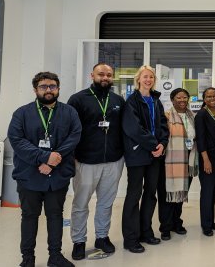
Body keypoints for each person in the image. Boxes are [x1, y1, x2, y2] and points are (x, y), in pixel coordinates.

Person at [8, 72, 81, 267]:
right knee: (29, 217)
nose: (48, 90)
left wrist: (52, 160)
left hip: (57, 176)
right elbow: (17, 140)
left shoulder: (69, 113)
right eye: (43, 86)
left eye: (52, 86)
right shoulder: (21, 113)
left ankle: (55, 256)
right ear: (35, 89)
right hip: (29, 176)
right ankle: (28, 259)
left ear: (58, 88)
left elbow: (74, 137)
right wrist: (43, 157)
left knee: (55, 215)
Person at [68, 63, 125, 260]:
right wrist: (72, 155)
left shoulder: (118, 100)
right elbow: (70, 130)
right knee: (80, 203)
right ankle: (78, 241)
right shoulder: (78, 99)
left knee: (106, 203)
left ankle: (102, 237)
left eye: (109, 75)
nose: (105, 78)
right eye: (101, 74)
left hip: (113, 160)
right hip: (85, 161)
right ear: (92, 75)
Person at [121, 65, 169, 253]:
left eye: (151, 77)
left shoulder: (156, 101)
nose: (148, 80)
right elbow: (133, 128)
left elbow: (164, 126)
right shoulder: (131, 101)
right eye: (145, 77)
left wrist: (162, 144)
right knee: (134, 195)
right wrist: (153, 145)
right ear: (138, 79)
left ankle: (145, 232)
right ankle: (131, 239)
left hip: (155, 155)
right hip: (137, 154)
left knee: (150, 194)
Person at [158, 88, 198, 240]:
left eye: (185, 97)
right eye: (179, 98)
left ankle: (177, 223)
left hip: (188, 159)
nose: (182, 100)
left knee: (181, 194)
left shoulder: (192, 116)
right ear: (173, 99)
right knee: (167, 196)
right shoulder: (166, 116)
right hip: (170, 161)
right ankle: (165, 227)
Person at [195, 87, 215, 236]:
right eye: (208, 96)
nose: (212, 98)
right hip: (207, 159)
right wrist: (206, 160)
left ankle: (211, 220)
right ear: (204, 99)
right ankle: (205, 225)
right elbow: (200, 139)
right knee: (207, 192)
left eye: (214, 95)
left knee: (213, 191)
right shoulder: (201, 115)